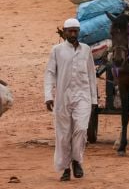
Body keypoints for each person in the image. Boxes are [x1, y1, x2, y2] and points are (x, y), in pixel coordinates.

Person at [44, 19, 97, 182]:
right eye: (70, 31)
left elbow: (91, 75)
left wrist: (94, 99)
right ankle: (65, 168)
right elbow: (50, 73)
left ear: (78, 32)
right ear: (65, 32)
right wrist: (48, 96)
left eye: (76, 31)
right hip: (62, 98)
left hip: (83, 96)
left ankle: (77, 160)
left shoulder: (86, 50)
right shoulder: (57, 50)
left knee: (81, 129)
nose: (73, 34)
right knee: (63, 134)